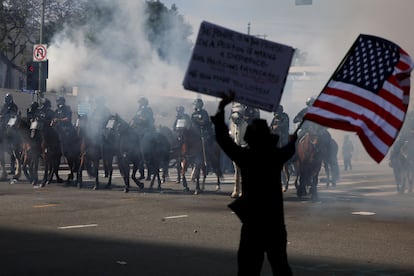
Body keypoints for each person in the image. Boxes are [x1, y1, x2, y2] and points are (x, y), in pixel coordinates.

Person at [210, 91, 296, 276]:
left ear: (249, 139)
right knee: (281, 268)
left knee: (248, 270)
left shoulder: (246, 157)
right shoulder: (277, 156)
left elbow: (223, 139)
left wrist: (221, 108)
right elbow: (290, 148)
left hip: (253, 224)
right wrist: (293, 140)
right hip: (275, 224)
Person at [0, 93, 19, 175]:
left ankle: (13, 168)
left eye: (8, 98)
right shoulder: (3, 106)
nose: (7, 100)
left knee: (13, 148)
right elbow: (1, 113)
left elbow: (14, 116)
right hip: (3, 126)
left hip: (10, 126)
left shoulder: (14, 106)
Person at [172, 106, 191, 183]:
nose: (179, 112)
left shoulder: (186, 117)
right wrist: (176, 129)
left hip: (185, 137)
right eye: (178, 111)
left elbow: (189, 126)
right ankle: (178, 177)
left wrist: (184, 128)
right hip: (178, 138)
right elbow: (174, 127)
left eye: (180, 111)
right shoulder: (177, 118)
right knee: (178, 160)